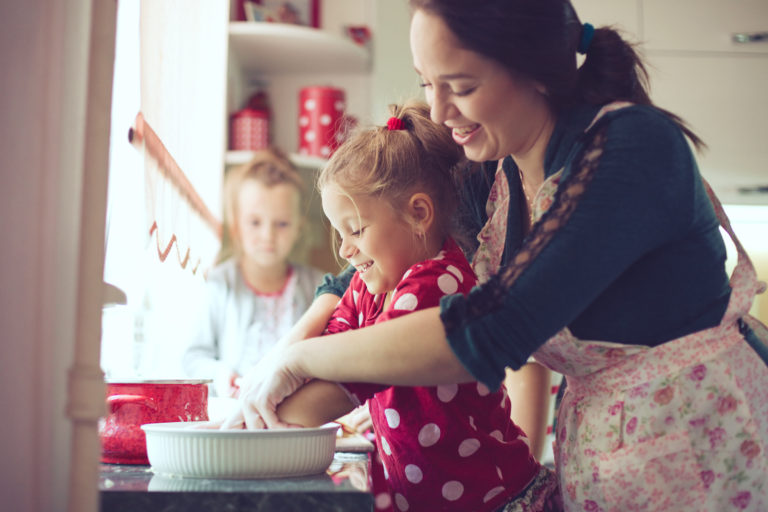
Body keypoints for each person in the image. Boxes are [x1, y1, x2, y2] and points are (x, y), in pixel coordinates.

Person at [229, 1, 768, 510]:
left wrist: (299, 360)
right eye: (427, 83)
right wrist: (277, 369)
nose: (439, 110)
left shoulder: (631, 149)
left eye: (459, 86)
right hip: (608, 458)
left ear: (533, 70)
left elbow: (489, 330)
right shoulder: (492, 168)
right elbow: (362, 268)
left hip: (707, 449)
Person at [230, 102, 559, 512]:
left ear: (418, 214)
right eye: (339, 234)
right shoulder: (372, 283)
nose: (347, 251)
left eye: (356, 230)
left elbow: (352, 375)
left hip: (496, 501)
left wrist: (240, 429)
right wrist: (263, 391)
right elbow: (334, 337)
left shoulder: (438, 283)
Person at [182, 147, 323, 397]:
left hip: (296, 415)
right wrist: (222, 377)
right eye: (255, 223)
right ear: (236, 226)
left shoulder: (318, 288)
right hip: (234, 414)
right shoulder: (220, 284)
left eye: (281, 224)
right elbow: (193, 357)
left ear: (298, 228)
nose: (267, 236)